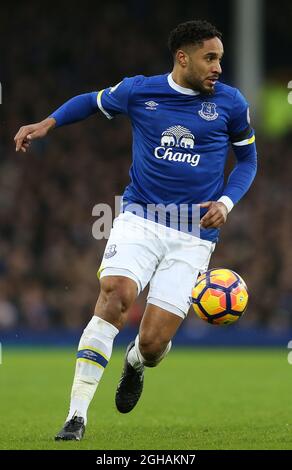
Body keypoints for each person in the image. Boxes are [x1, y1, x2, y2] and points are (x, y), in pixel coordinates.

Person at [14, 19, 257, 441]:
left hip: (194, 235)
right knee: (116, 294)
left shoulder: (231, 104)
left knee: (152, 345)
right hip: (140, 218)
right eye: (210, 58)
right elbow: (90, 101)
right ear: (183, 58)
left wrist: (226, 202)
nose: (219, 67)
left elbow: (248, 161)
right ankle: (77, 415)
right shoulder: (140, 90)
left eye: (220, 58)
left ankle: (136, 364)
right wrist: (47, 124)